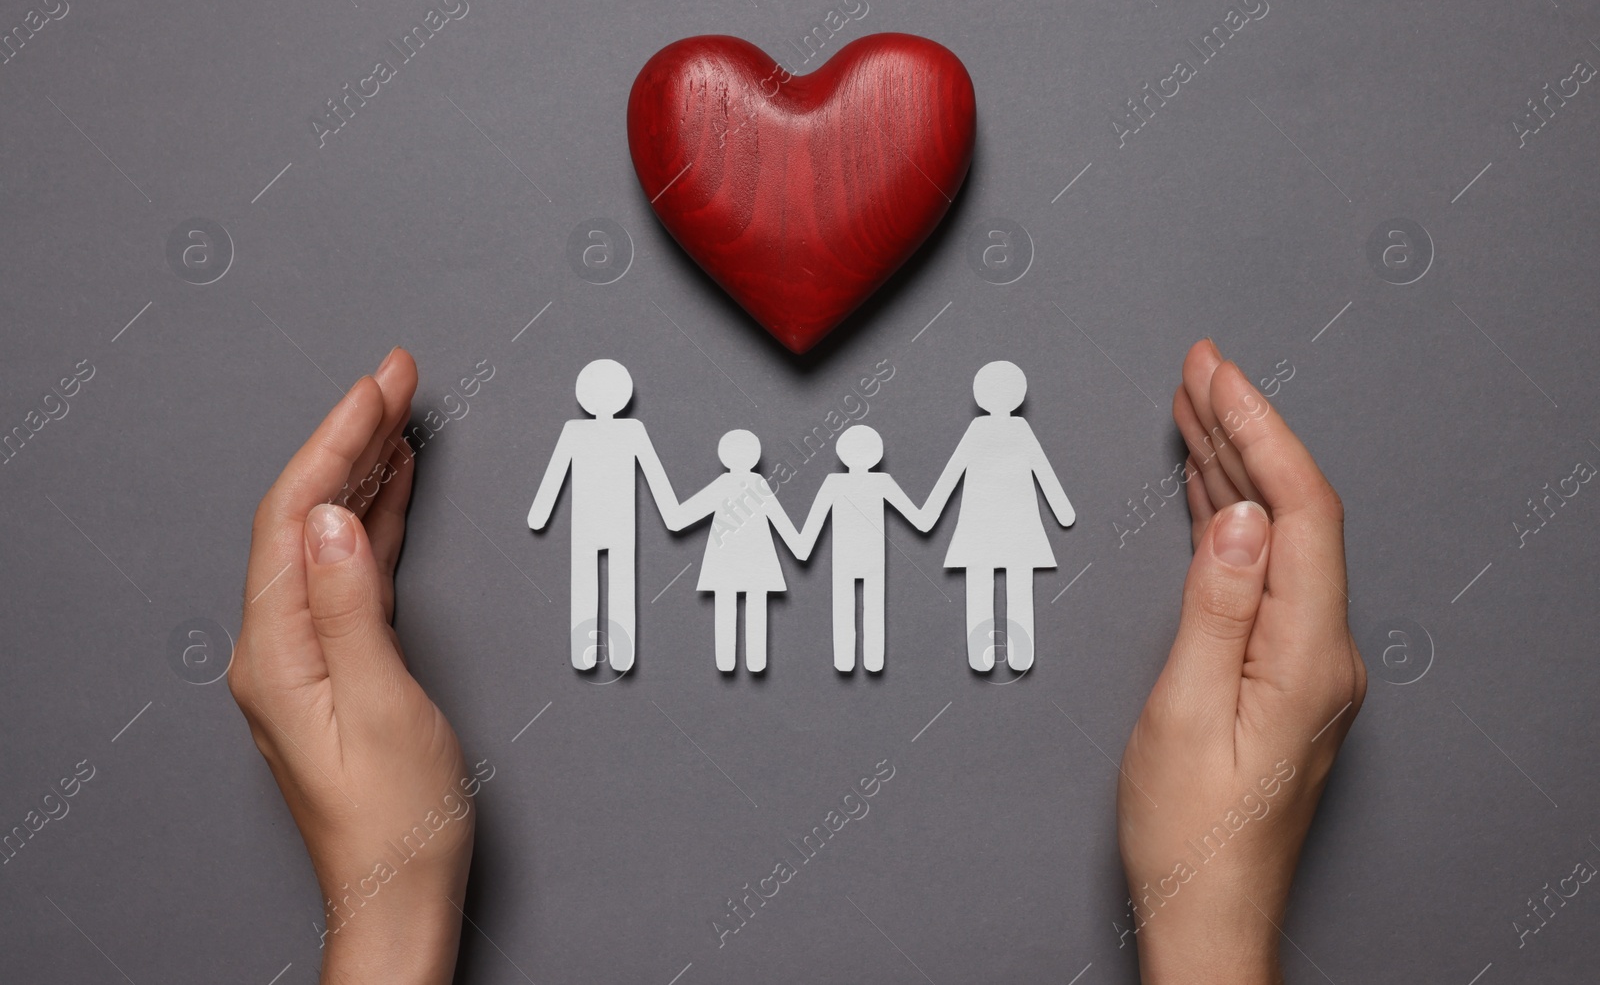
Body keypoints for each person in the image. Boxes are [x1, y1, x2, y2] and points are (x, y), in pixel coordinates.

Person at [229, 339, 1365, 983]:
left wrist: (384, 916)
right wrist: (1211, 924)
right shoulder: (611, 437)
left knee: (976, 606)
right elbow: (595, 495)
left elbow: (923, 501)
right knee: (605, 596)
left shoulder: (985, 435)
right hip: (728, 557)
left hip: (938, 548)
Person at [918, 360, 1075, 672]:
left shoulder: (989, 430)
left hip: (984, 528)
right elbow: (1041, 470)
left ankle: (988, 655)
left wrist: (930, 511)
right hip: (1015, 528)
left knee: (981, 586)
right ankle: (1014, 655)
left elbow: (953, 472)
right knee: (1016, 588)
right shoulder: (1013, 429)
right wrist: (1061, 509)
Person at [526, 359, 679, 672]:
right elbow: (654, 477)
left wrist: (540, 514)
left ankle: (592, 654)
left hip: (593, 524)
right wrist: (671, 512)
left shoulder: (581, 431)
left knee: (589, 583)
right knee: (619, 583)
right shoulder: (627, 430)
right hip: (616, 524)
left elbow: (555, 475)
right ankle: (616, 655)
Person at [791, 424, 930, 672]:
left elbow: (811, 528)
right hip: (871, 558)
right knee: (873, 607)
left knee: (845, 607)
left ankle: (846, 661)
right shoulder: (880, 482)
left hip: (847, 559)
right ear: (876, 454)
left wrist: (799, 544)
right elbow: (919, 519)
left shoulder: (835, 483)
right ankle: (872, 661)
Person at [668, 429, 804, 673]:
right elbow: (781, 521)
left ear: (724, 456)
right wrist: (799, 547)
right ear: (755, 456)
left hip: (725, 561)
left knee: (726, 605)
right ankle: (755, 662)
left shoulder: (726, 484)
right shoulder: (758, 484)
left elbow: (679, 519)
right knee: (756, 606)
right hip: (757, 560)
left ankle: (727, 662)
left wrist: (666, 502)